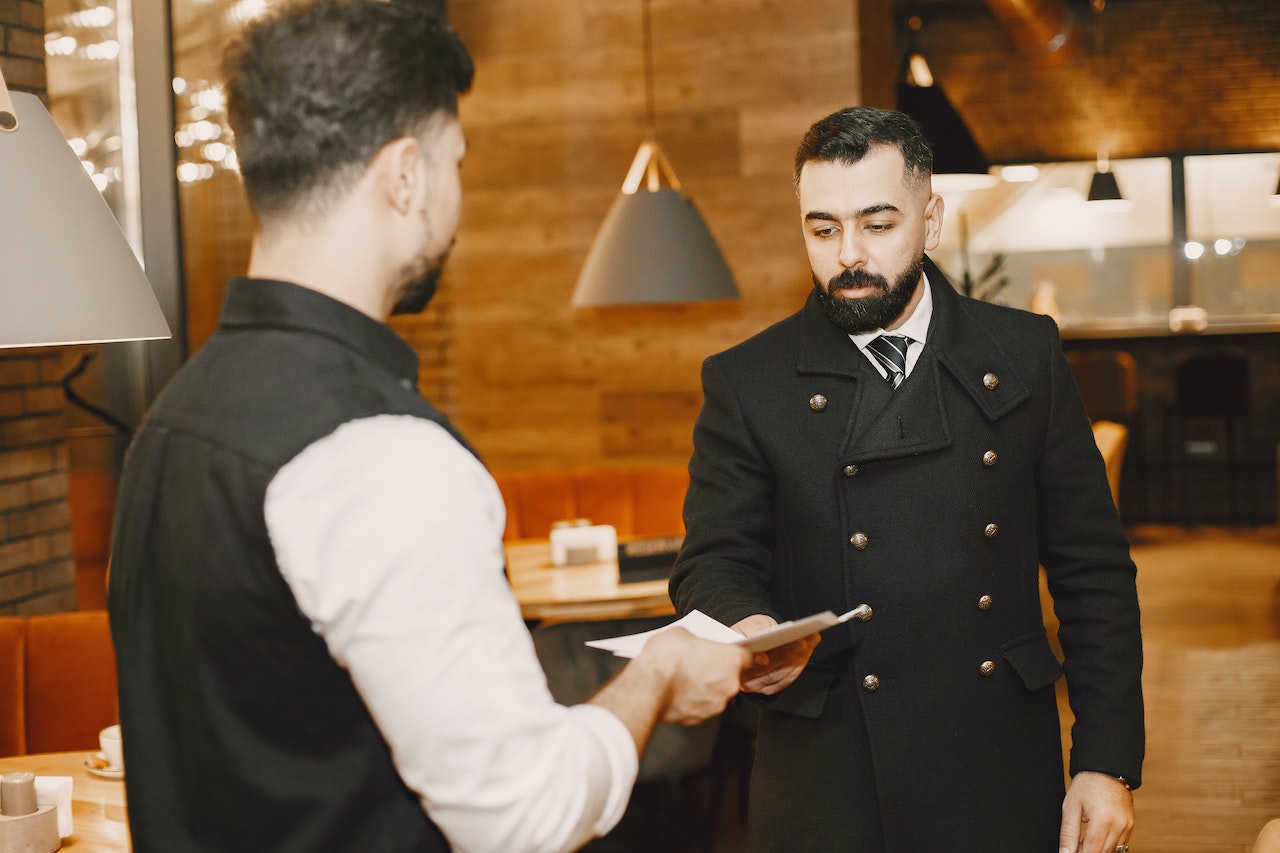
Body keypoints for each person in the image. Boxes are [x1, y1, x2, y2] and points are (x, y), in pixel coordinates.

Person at [105, 2, 749, 851]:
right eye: (457, 159)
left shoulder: (173, 416)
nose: (459, 191)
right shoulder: (379, 451)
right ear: (405, 176)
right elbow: (526, 814)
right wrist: (659, 674)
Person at [669, 106, 1144, 853]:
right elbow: (713, 558)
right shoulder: (747, 380)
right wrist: (750, 627)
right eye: (822, 229)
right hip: (828, 767)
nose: (848, 253)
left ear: (930, 221)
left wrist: (1106, 761)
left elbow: (1094, 574)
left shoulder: (1024, 353)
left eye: (877, 223)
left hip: (996, 756)